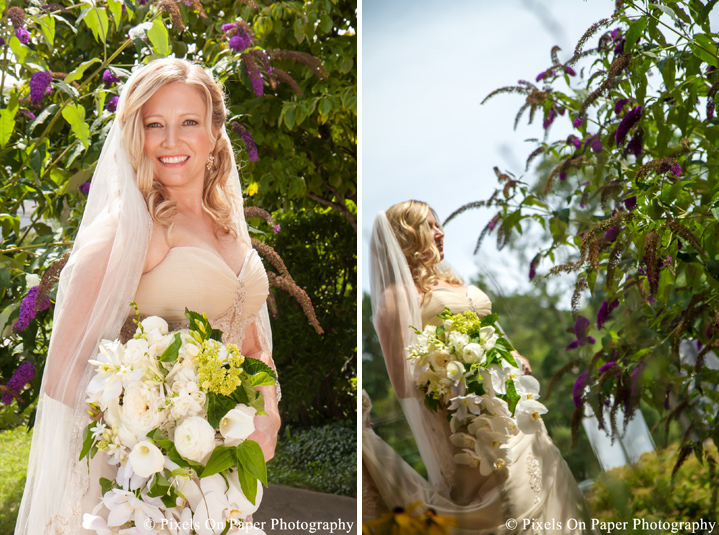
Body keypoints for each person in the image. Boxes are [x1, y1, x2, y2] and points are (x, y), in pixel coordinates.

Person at [15, 58, 280, 535]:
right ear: (135, 134)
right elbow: (61, 373)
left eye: (189, 123)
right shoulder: (130, 229)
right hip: (148, 486)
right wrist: (153, 429)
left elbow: (254, 348)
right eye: (154, 124)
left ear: (216, 131)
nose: (171, 141)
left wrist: (267, 415)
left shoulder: (227, 224)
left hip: (227, 467)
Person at [364, 200, 594, 534]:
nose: (440, 233)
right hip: (472, 419)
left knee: (548, 478)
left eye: (439, 224)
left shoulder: (451, 280)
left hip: (515, 401)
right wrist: (455, 371)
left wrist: (513, 354)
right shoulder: (397, 296)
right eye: (430, 226)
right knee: (511, 495)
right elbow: (402, 383)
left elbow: (486, 327)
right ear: (409, 234)